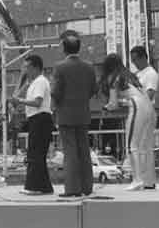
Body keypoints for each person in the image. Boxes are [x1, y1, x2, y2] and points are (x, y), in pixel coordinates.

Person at [51, 30, 98, 197]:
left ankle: (72, 189)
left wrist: (56, 104)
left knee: (70, 152)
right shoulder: (89, 67)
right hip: (83, 112)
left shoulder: (60, 67)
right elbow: (94, 89)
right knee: (84, 151)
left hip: (65, 113)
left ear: (64, 48)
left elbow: (55, 92)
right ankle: (87, 187)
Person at [102, 53, 156, 191]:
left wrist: (107, 107)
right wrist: (122, 102)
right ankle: (146, 180)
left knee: (131, 145)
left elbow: (113, 104)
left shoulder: (113, 78)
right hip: (148, 107)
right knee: (143, 145)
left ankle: (137, 179)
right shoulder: (130, 75)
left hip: (137, 107)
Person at [11, 54, 54, 195]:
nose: (25, 70)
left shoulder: (41, 81)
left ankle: (34, 186)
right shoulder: (33, 83)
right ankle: (44, 187)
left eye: (27, 67)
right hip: (36, 119)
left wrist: (21, 101)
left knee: (35, 154)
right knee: (37, 154)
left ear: (35, 67)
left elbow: (38, 102)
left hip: (41, 119)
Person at [130, 45, 158, 188]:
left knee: (145, 146)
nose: (134, 62)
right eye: (132, 60)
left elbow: (150, 94)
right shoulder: (138, 74)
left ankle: (149, 181)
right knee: (140, 146)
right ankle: (142, 179)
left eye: (135, 59)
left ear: (143, 57)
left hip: (146, 111)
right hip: (138, 111)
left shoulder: (150, 73)